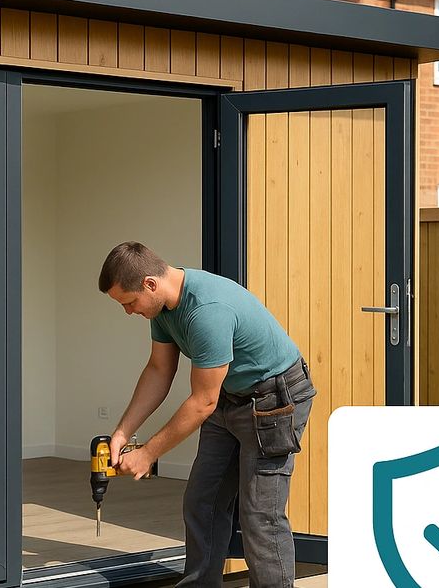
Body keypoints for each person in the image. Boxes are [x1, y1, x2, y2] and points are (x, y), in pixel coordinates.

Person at [98, 241, 316, 588]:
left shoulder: (206, 310)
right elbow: (158, 370)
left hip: (274, 401)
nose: (128, 311)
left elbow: (202, 402)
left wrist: (147, 455)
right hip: (230, 395)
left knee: (260, 515)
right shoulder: (163, 309)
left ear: (150, 284)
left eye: (129, 302)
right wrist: (123, 433)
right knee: (203, 501)